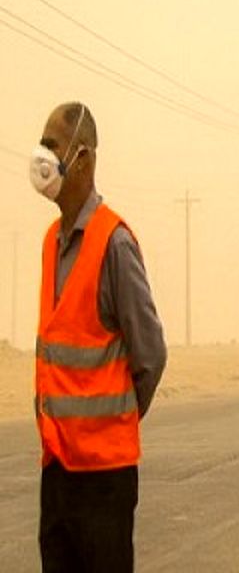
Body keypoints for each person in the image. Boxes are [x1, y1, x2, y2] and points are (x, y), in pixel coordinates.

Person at [29, 102, 167, 573]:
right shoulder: (51, 241)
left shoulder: (115, 242)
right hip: (58, 471)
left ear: (82, 159)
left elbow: (150, 354)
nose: (41, 155)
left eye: (51, 145)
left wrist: (115, 421)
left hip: (105, 479)